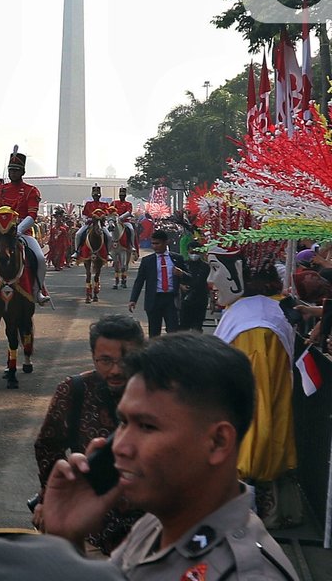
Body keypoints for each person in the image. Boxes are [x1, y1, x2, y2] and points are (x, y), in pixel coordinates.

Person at [40, 332, 298, 580]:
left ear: (218, 442)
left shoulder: (246, 574)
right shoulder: (155, 524)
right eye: (124, 422)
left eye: (147, 426)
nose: (120, 446)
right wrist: (66, 539)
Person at [32, 314, 146, 555]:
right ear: (93, 356)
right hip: (90, 532)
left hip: (150, 532)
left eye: (127, 360)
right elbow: (47, 446)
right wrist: (49, 495)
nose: (116, 370)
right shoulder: (75, 390)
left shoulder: (160, 393)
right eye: (105, 360)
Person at [209, 255, 299, 527]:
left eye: (215, 270)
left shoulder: (255, 327)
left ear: (238, 273)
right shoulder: (249, 312)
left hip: (248, 460)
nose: (210, 281)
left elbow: (256, 409)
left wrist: (242, 467)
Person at [0, 147, 49, 304]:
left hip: (22, 232)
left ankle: (37, 291)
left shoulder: (31, 191)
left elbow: (32, 215)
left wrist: (17, 230)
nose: (13, 173)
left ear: (22, 172)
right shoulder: (1, 190)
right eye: (11, 170)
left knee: (40, 259)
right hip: (0, 233)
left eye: (16, 170)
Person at [128, 229, 184, 337]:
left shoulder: (177, 259)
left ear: (166, 242)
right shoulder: (147, 261)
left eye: (157, 243)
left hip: (171, 300)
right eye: (153, 243)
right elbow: (139, 281)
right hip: (154, 300)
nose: (155, 246)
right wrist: (133, 300)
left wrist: (182, 274)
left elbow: (188, 277)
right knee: (154, 333)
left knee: (173, 332)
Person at [178, 245, 211, 332]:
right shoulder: (183, 265)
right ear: (188, 252)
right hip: (186, 301)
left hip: (201, 300)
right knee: (184, 327)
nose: (194, 255)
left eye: (196, 253)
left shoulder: (206, 267)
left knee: (197, 327)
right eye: (192, 252)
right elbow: (175, 280)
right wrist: (181, 286)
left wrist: (212, 301)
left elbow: (210, 284)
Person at [74, 185, 111, 254]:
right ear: (92, 196)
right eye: (94, 195)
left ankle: (108, 253)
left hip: (100, 224)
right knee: (78, 234)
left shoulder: (104, 204)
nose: (96, 197)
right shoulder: (88, 204)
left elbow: (107, 212)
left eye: (97, 195)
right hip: (90, 222)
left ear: (100, 196)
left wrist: (103, 215)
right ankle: (77, 251)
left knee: (109, 236)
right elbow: (84, 214)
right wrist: (87, 219)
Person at [111, 188, 137, 255]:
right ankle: (107, 248)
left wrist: (121, 217)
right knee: (107, 230)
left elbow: (129, 212)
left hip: (125, 221)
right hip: (115, 221)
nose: (121, 196)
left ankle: (132, 245)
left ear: (125, 196)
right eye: (120, 195)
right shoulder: (114, 203)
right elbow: (109, 210)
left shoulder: (128, 204)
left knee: (131, 230)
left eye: (123, 195)